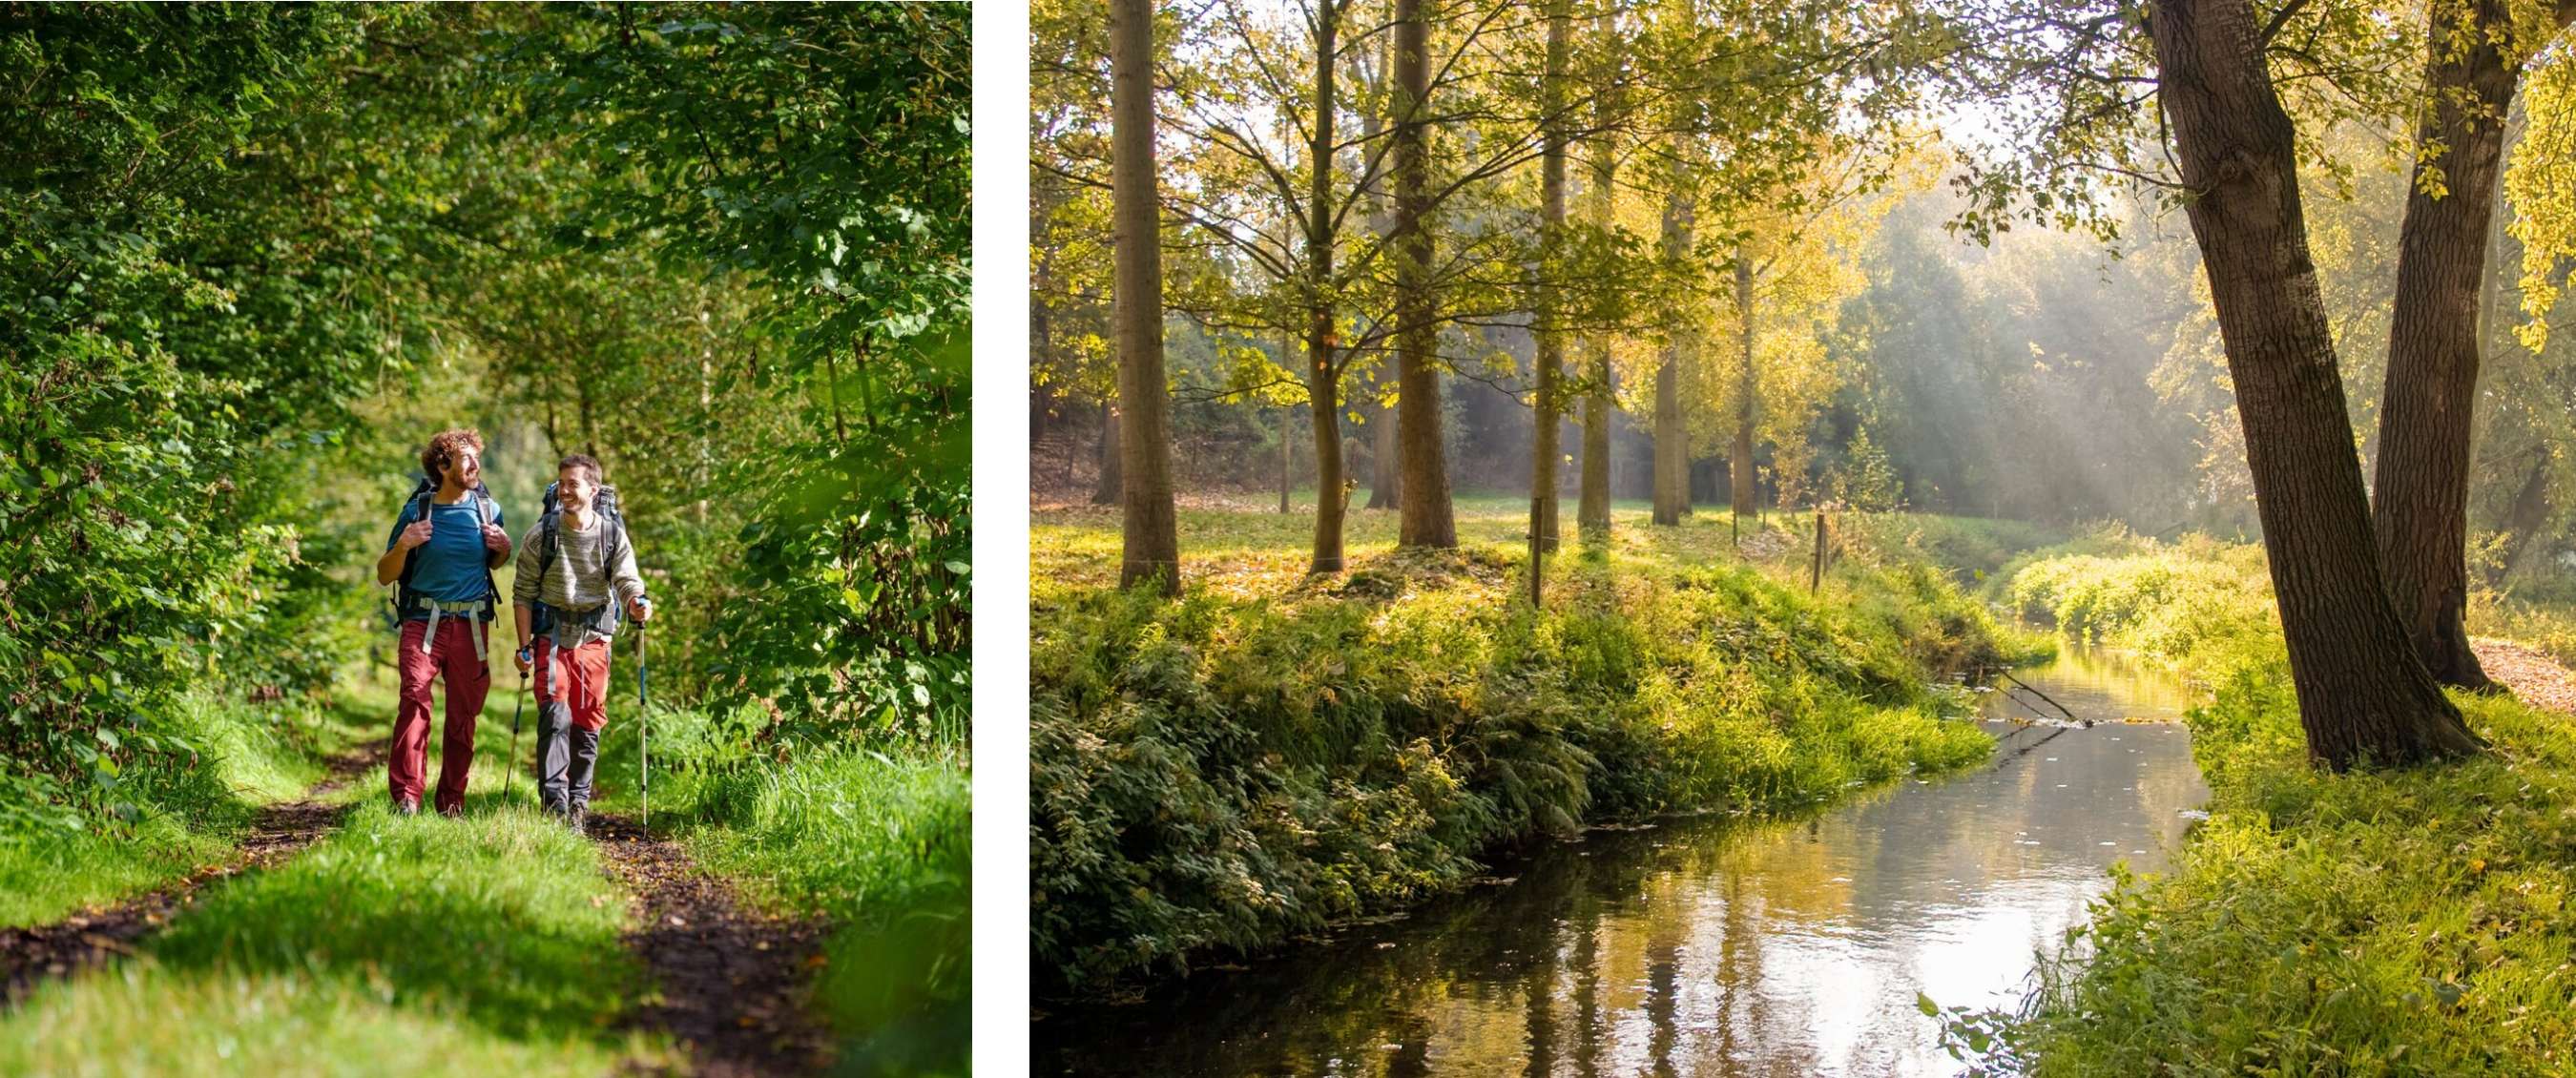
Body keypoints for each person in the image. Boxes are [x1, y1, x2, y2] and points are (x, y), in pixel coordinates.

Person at [375, 428, 511, 817]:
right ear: (442, 464)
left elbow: (493, 562)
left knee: (463, 716)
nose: (475, 465)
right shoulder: (417, 511)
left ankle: (451, 800)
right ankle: (407, 797)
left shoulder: (489, 510)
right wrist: (404, 544)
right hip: (423, 621)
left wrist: (504, 550)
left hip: (472, 625)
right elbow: (385, 574)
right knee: (415, 702)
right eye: (466, 459)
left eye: (476, 458)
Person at [511, 453, 651, 832]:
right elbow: (522, 593)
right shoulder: (542, 534)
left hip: (594, 639)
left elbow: (626, 579)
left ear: (593, 489)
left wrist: (637, 602)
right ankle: (554, 806)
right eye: (561, 483)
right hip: (552, 637)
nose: (565, 490)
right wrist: (523, 646)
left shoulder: (610, 534)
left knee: (587, 723)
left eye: (573, 484)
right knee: (554, 717)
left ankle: (578, 802)